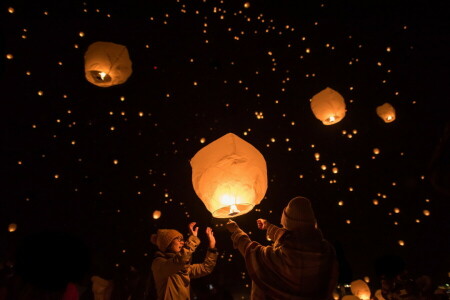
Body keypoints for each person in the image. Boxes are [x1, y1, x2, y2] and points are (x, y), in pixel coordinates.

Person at [225, 196, 339, 300]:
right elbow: (290, 237)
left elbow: (253, 252)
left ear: (288, 225)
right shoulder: (327, 250)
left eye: (285, 226)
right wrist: (268, 226)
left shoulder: (284, 256)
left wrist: (236, 232)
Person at [150, 222, 218, 300]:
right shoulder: (159, 263)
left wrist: (212, 246)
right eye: (178, 239)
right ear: (167, 243)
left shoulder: (184, 268)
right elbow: (179, 261)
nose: (182, 242)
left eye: (182, 239)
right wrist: (193, 240)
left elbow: (206, 268)